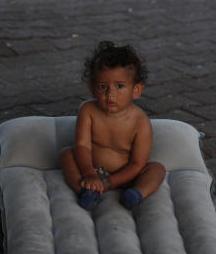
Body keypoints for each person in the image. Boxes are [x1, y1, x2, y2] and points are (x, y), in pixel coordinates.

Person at [59, 42, 165, 211]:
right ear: (92, 89)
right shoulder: (88, 110)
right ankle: (85, 192)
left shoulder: (140, 122)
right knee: (66, 154)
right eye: (103, 87)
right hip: (91, 171)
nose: (110, 94)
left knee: (157, 169)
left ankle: (137, 193)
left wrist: (109, 182)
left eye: (120, 86)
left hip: (126, 177)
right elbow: (82, 145)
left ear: (136, 90)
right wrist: (89, 174)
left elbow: (137, 164)